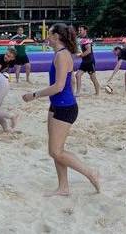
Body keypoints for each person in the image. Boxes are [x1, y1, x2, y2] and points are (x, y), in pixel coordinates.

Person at [22, 23, 100, 196]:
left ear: (56, 36)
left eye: (49, 34)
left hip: (65, 107)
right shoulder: (60, 54)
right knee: (56, 151)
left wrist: (33, 95)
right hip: (57, 105)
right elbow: (69, 81)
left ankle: (91, 173)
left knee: (56, 151)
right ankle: (63, 187)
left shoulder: (62, 56)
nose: (47, 36)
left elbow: (58, 86)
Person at [74, 25, 107, 96]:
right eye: (79, 30)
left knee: (93, 78)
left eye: (81, 30)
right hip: (84, 61)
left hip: (89, 61)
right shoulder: (81, 39)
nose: (79, 31)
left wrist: (80, 55)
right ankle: (77, 92)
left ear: (85, 31)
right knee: (77, 75)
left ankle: (97, 93)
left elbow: (88, 51)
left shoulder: (86, 39)